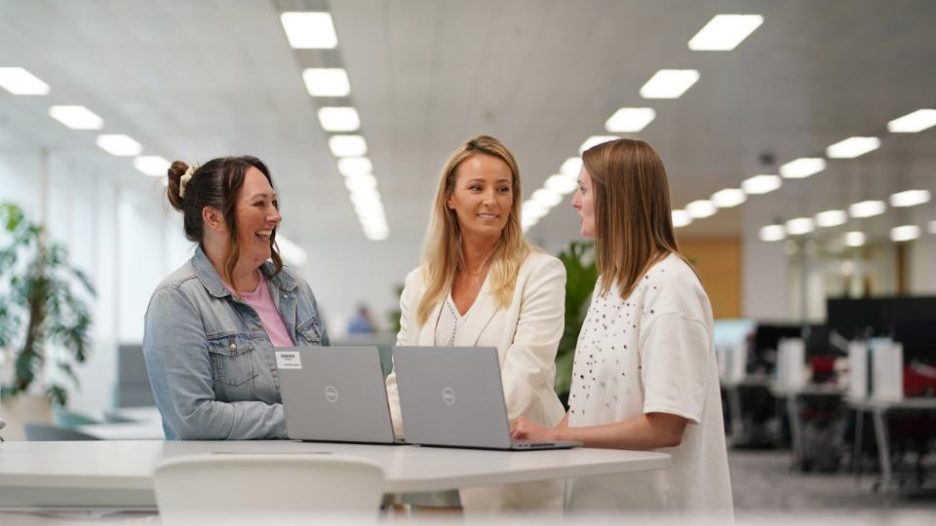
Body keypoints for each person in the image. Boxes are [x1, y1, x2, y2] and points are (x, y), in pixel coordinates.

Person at [511, 139, 733, 518]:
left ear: (618, 198)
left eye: (582, 189)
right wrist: (540, 438)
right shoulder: (608, 284)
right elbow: (590, 401)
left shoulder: (671, 287)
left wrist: (557, 436)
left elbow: (665, 426)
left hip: (656, 508)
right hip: (599, 501)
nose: (574, 201)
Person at [385, 135, 566, 513]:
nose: (491, 200)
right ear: (450, 198)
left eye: (503, 189)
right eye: (476, 187)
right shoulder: (421, 283)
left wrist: (430, 423)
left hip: (511, 476)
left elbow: (525, 377)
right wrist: (373, 423)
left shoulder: (541, 273)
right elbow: (405, 381)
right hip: (432, 475)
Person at [143, 156, 328, 440]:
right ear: (213, 217)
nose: (275, 215)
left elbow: (330, 391)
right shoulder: (177, 300)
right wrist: (299, 418)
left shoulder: (294, 289)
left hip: (307, 465)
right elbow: (194, 418)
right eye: (259, 203)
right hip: (225, 477)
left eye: (274, 202)